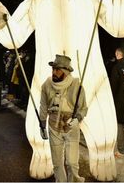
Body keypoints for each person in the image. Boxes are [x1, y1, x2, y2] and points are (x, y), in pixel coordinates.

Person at [39, 54, 88, 182]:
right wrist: (42, 124)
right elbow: (43, 106)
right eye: (53, 69)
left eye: (57, 69)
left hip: (71, 127)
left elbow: (83, 108)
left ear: (65, 72)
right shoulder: (47, 85)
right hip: (53, 127)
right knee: (57, 163)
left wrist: (77, 118)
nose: (54, 72)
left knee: (72, 163)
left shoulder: (76, 86)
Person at [110, 47, 124, 158]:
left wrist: (112, 98)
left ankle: (121, 150)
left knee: (119, 124)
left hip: (119, 99)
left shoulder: (116, 67)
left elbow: (113, 86)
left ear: (118, 55)